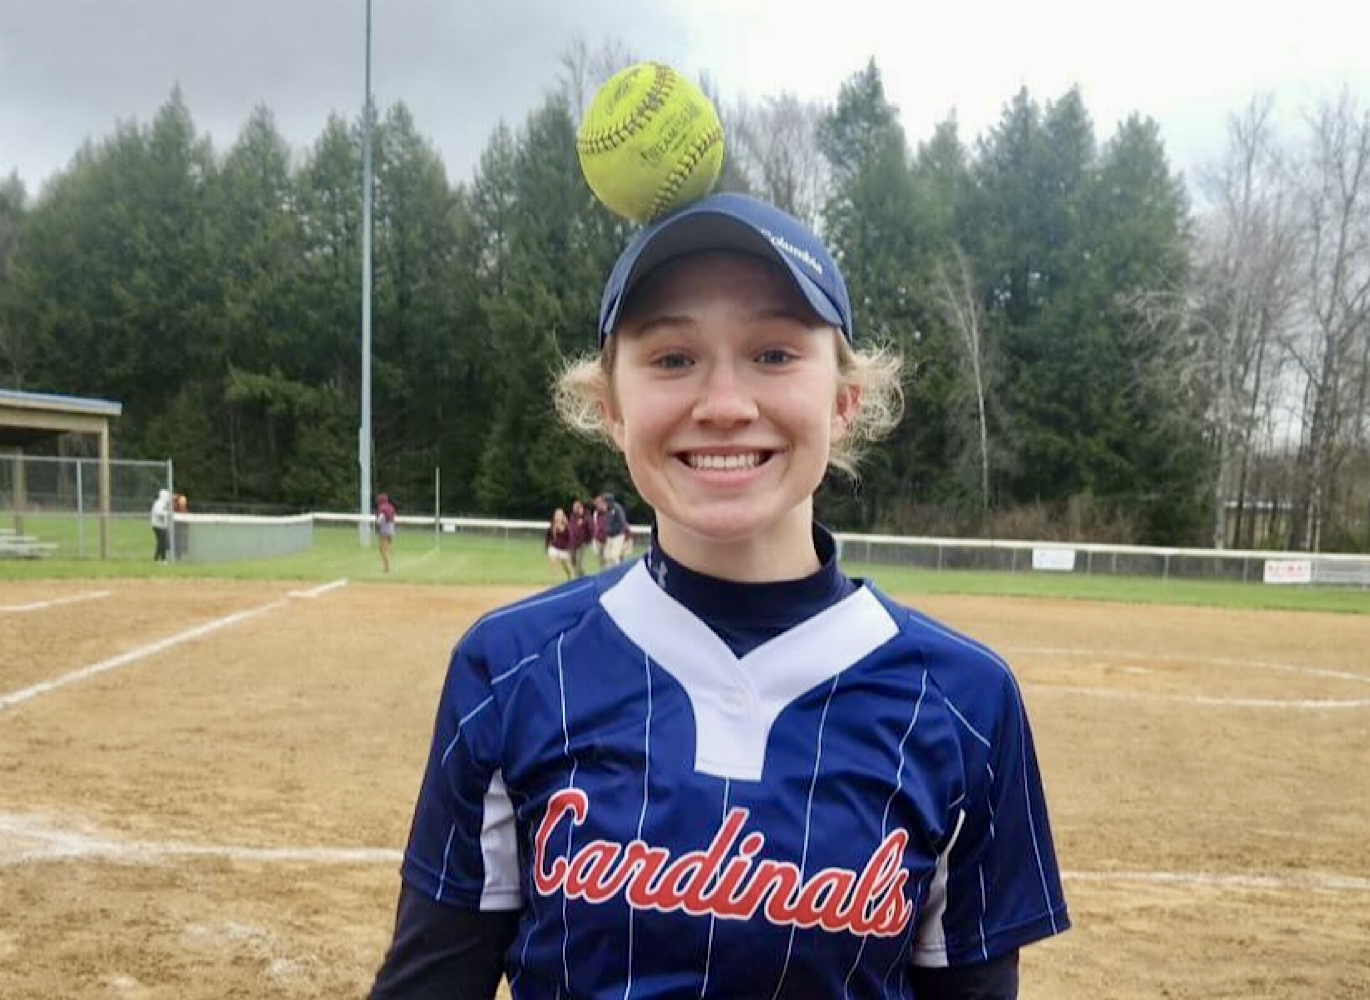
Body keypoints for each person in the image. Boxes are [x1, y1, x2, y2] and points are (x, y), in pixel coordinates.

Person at [369, 193, 1068, 999]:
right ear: (611, 408)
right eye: (672, 359)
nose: (726, 406)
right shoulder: (512, 671)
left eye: (774, 354)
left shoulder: (963, 704)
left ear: (845, 403)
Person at [595, 491, 632, 566]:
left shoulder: (617, 508)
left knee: (614, 556)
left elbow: (622, 522)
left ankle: (618, 571)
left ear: (608, 501)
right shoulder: (607, 509)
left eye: (604, 501)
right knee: (607, 556)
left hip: (618, 535)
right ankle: (609, 572)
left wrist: (615, 530)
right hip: (610, 536)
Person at [545, 507, 575, 581]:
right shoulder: (552, 525)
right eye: (556, 515)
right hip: (555, 547)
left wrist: (569, 548)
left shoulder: (567, 526)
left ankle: (571, 578)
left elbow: (570, 537)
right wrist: (547, 545)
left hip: (564, 549)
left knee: (567, 567)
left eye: (559, 515)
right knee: (552, 553)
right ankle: (554, 572)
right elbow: (548, 536)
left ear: (562, 516)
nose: (558, 516)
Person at [567, 499, 593, 577]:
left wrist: (584, 521)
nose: (575, 510)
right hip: (573, 542)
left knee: (579, 562)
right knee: (572, 561)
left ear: (581, 508)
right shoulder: (572, 516)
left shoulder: (587, 516)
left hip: (583, 542)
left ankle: (583, 578)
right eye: (574, 508)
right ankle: (577, 576)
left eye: (577, 508)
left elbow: (591, 527)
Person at [375, 493, 397, 573]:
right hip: (391, 528)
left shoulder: (382, 508)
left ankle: (386, 567)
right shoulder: (391, 507)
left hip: (384, 529)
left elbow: (381, 518)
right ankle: (388, 564)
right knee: (387, 547)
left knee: (382, 549)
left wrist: (377, 524)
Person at [149, 488, 172, 563]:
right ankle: (162, 559)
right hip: (157, 526)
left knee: (161, 542)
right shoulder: (159, 503)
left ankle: (158, 558)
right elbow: (159, 513)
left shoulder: (163, 504)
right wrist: (167, 514)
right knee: (162, 542)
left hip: (162, 526)